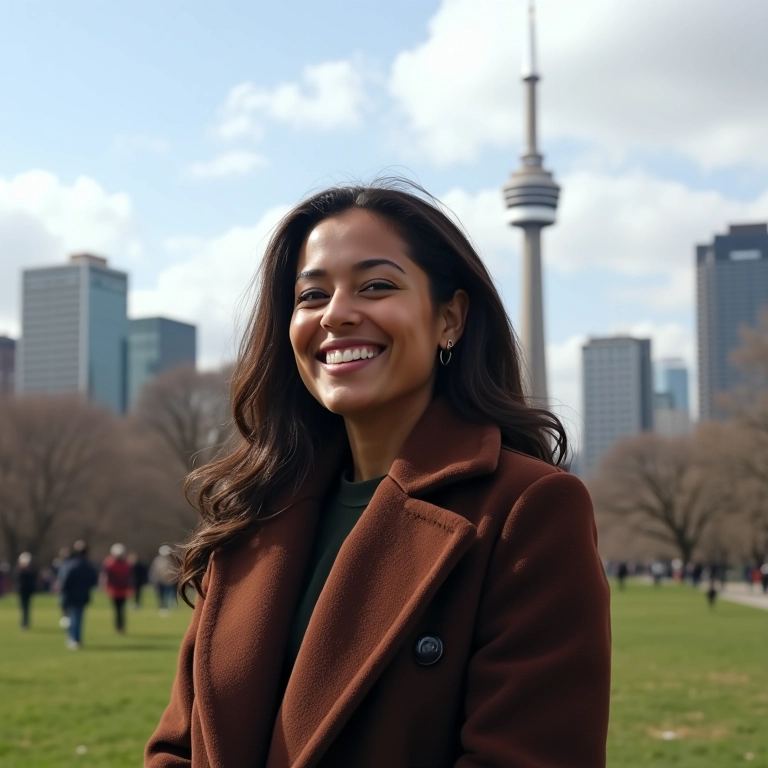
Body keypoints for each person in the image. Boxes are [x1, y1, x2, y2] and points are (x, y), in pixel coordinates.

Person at [146, 181, 611, 767]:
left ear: (450, 318)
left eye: (376, 286)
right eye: (311, 295)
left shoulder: (529, 510)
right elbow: (178, 748)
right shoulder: (252, 513)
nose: (337, 314)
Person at [59, 540, 98, 649]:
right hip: (83, 594)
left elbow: (66, 580)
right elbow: (93, 580)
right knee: (78, 617)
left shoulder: (71, 564)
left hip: (71, 594)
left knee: (72, 617)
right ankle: (75, 638)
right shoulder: (89, 565)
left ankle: (73, 638)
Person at [103, 543, 132, 634]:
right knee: (119, 611)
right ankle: (119, 628)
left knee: (119, 611)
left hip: (120, 590)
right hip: (116, 590)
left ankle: (119, 628)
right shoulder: (112, 564)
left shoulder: (111, 563)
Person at [149, 546, 177, 614]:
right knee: (160, 595)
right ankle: (162, 607)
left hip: (169, 581)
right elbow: (154, 571)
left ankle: (168, 606)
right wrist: (154, 579)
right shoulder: (157, 560)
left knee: (168, 595)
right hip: (160, 581)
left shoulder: (172, 561)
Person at [14, 552, 37, 630]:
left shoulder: (30, 571)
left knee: (26, 608)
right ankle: (24, 623)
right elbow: (17, 581)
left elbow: (32, 581)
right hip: (21, 592)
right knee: (23, 608)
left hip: (28, 592)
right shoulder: (19, 571)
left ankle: (25, 623)